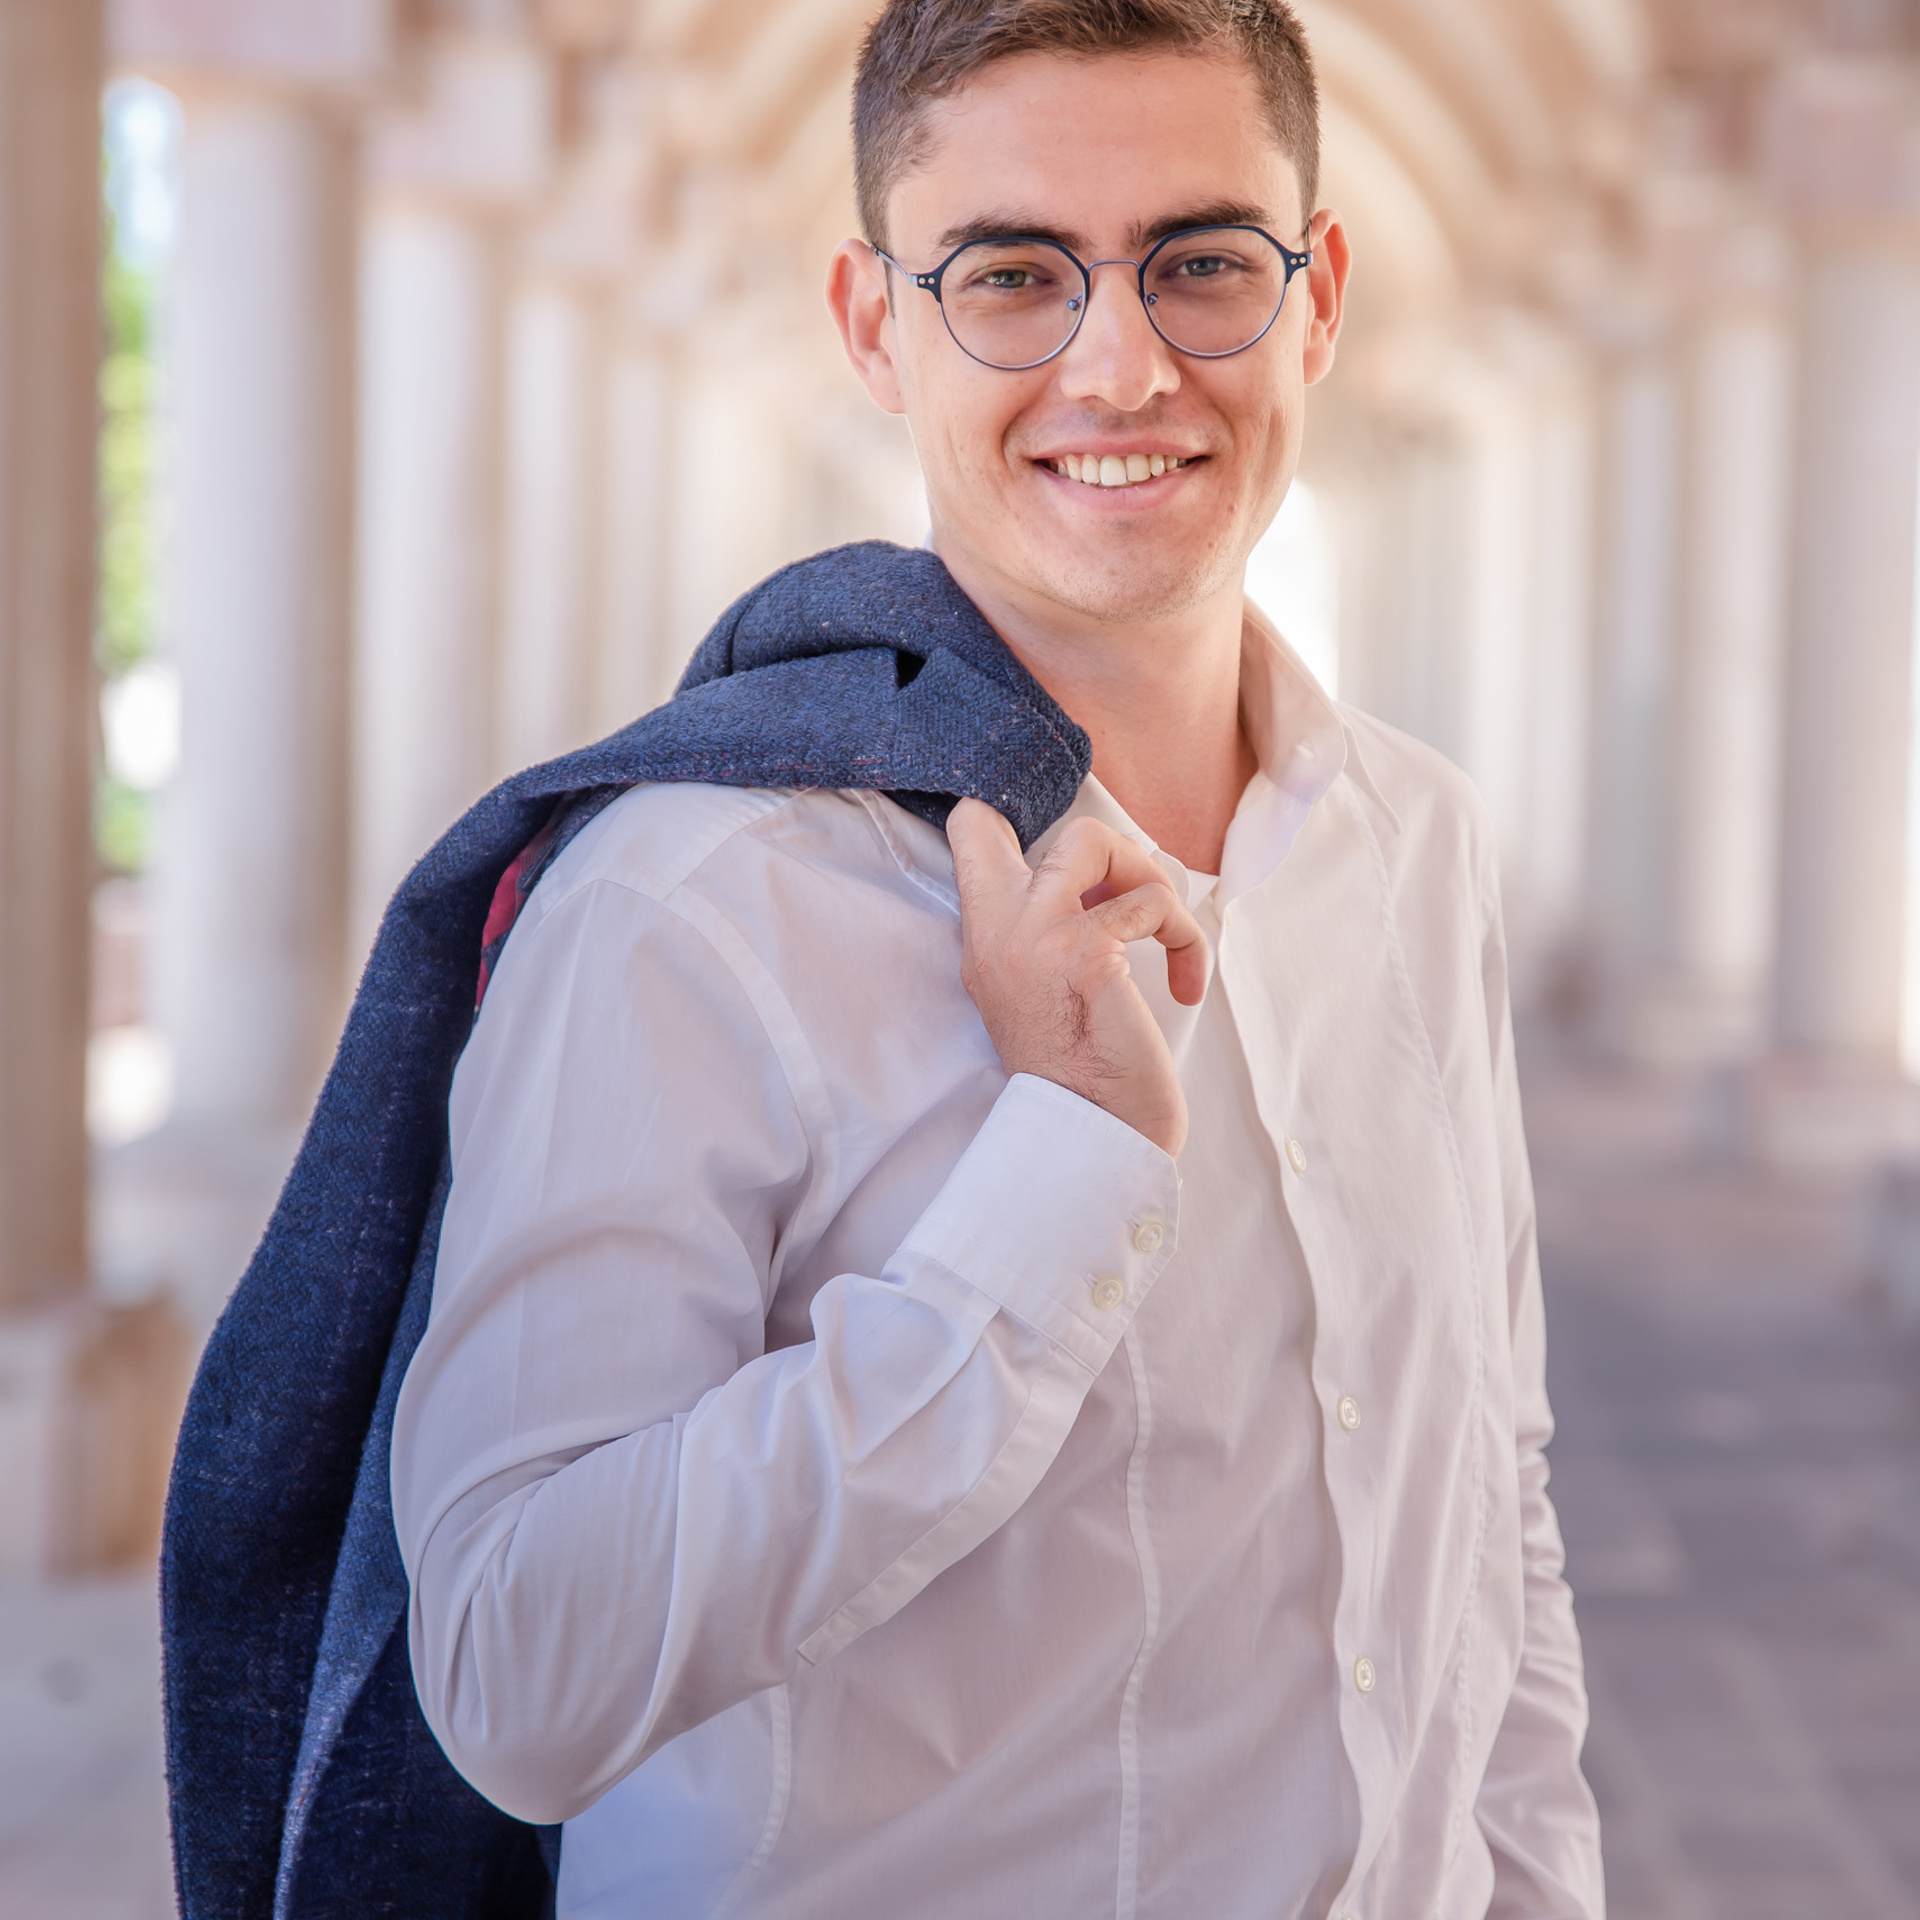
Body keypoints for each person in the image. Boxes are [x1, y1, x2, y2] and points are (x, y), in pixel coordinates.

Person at [388, 2, 1605, 1914]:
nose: (1121, 366)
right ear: (877, 326)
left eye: (1204, 262)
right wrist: (1056, 1180)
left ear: (1317, 300)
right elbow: (512, 1674)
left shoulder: (1414, 841)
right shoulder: (688, 902)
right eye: (1013, 276)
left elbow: (1486, 1508)